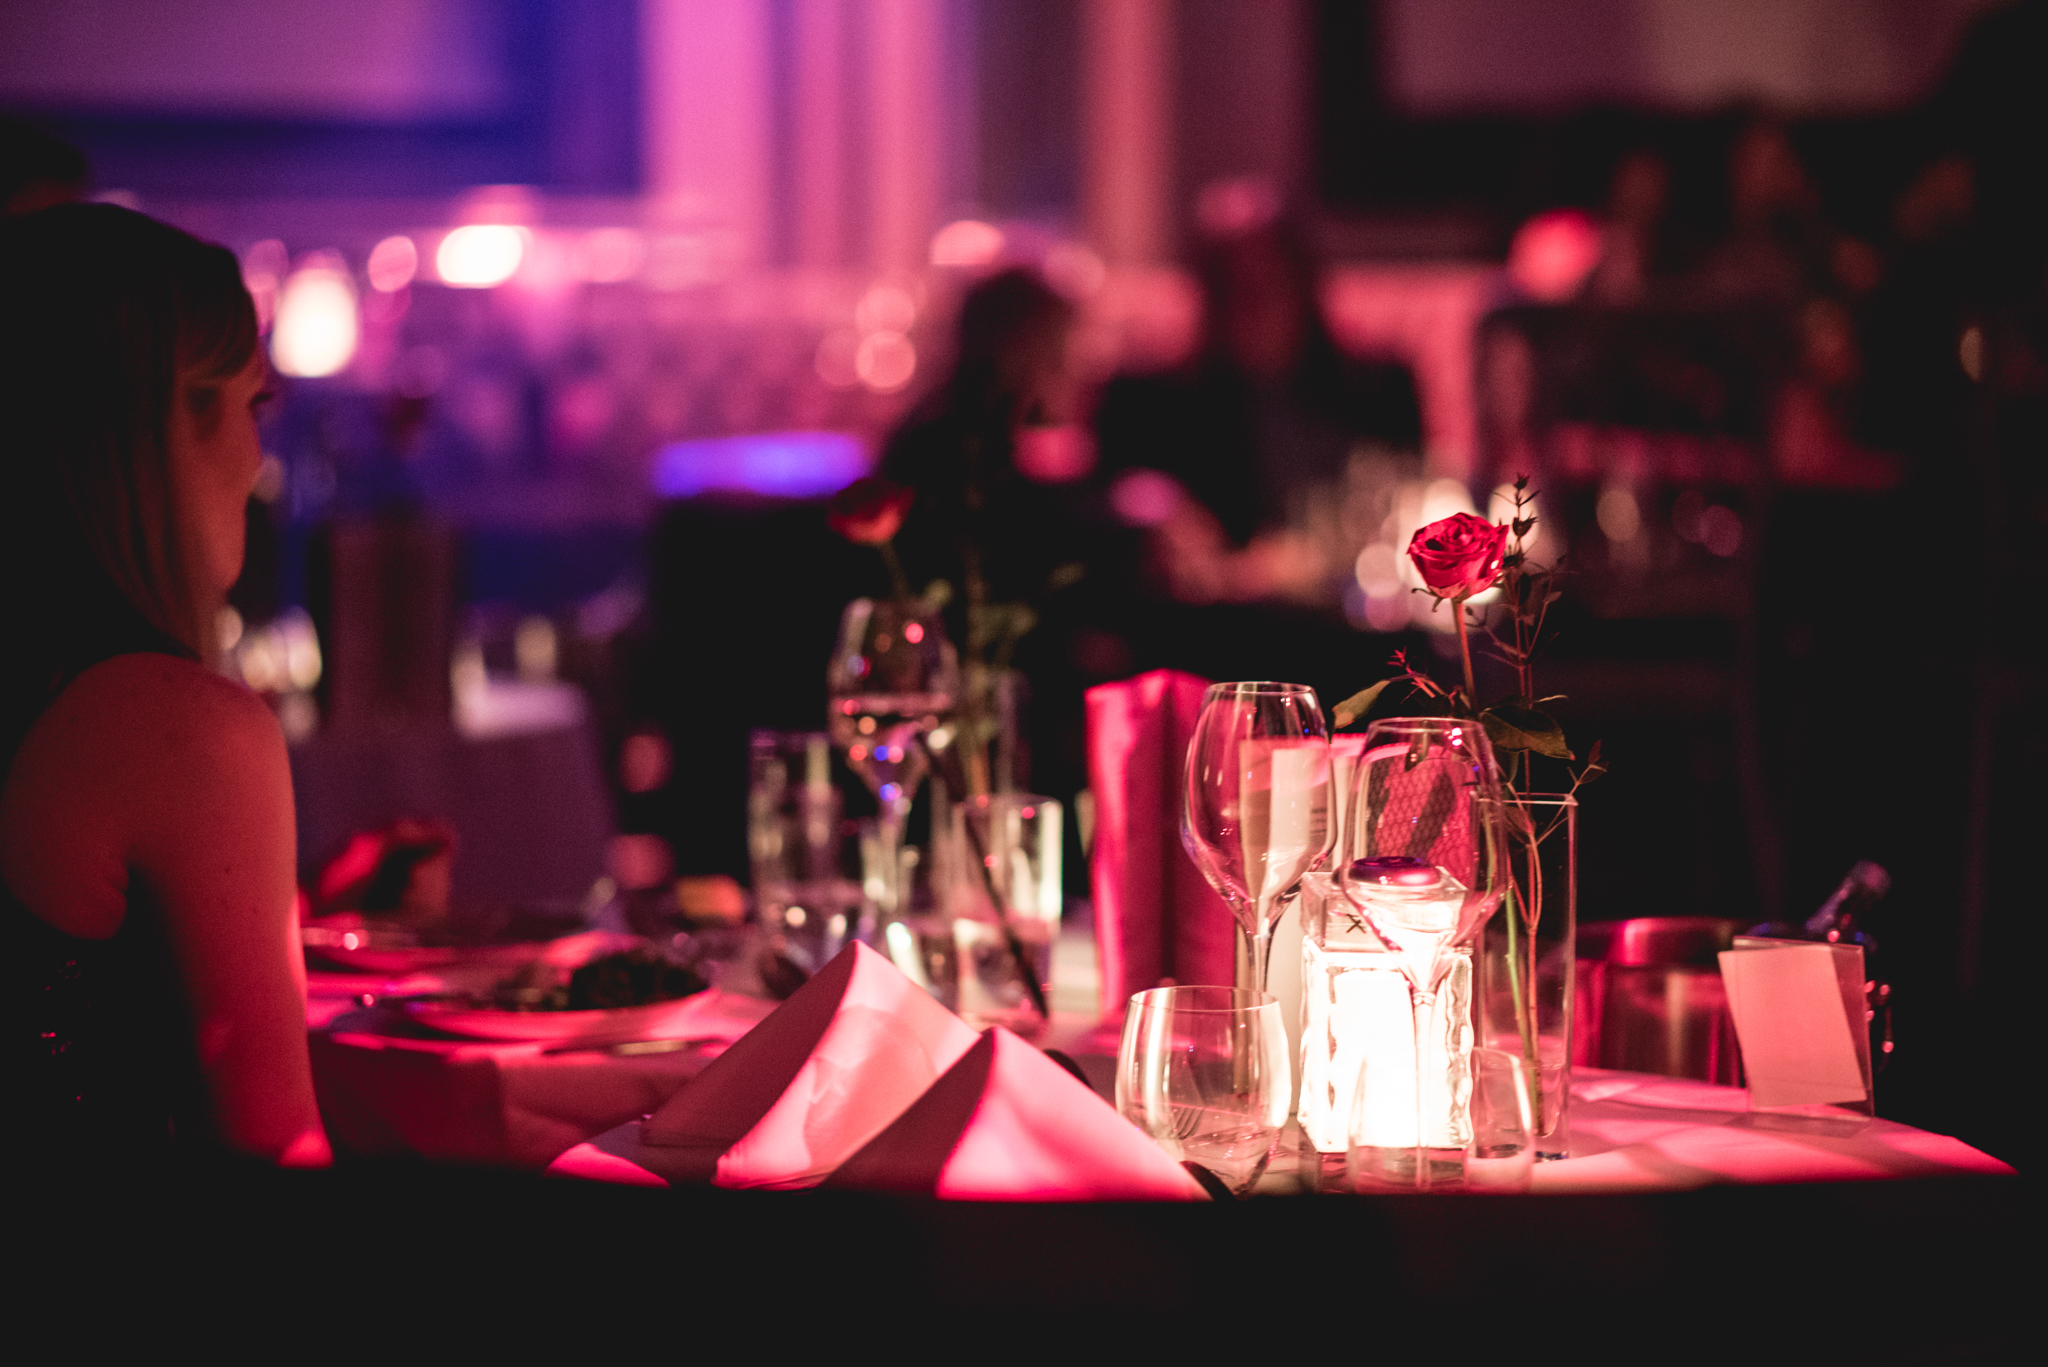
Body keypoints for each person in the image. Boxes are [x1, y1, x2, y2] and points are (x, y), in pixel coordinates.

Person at [0, 204, 330, 1166]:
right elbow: (276, 1160)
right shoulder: (179, 727)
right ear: (158, 424)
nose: (259, 459)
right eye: (251, 404)